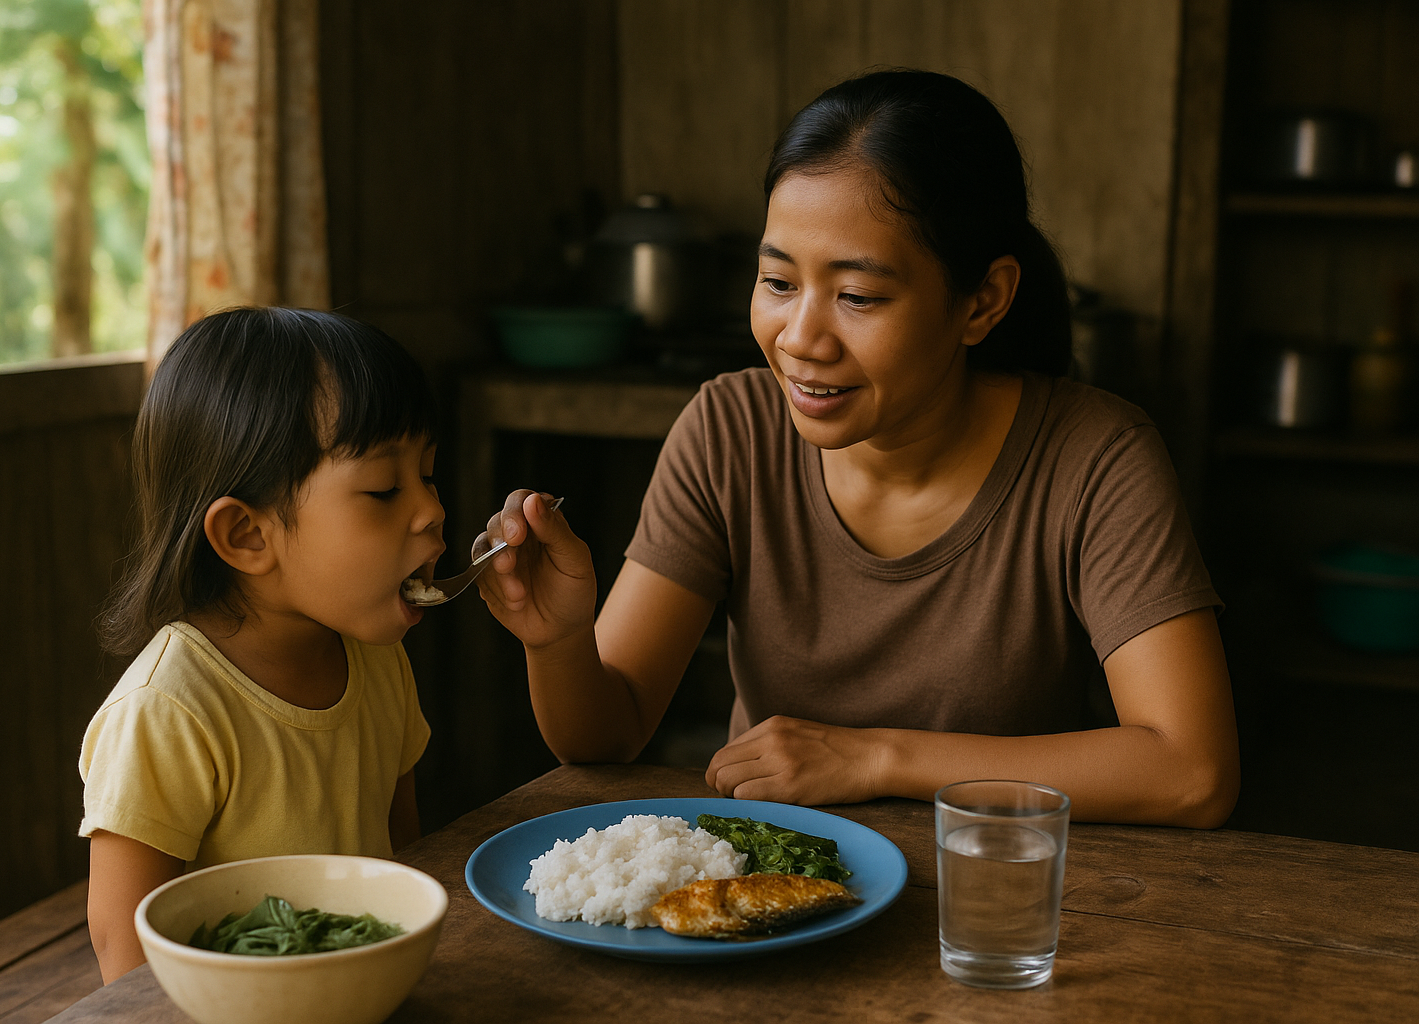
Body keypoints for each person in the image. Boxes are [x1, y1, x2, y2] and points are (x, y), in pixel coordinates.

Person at [477, 70, 1240, 828]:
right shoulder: (729, 431)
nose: (801, 339)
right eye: (778, 282)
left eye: (858, 297)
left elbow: (1192, 771)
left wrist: (875, 758)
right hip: (772, 881)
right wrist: (560, 641)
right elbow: (607, 736)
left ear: (982, 302)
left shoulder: (1096, 458)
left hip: (989, 886)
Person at [78, 307, 444, 982]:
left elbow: (405, 861)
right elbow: (122, 947)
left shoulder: (379, 659)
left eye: (429, 474)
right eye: (385, 488)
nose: (432, 511)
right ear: (247, 535)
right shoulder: (168, 711)